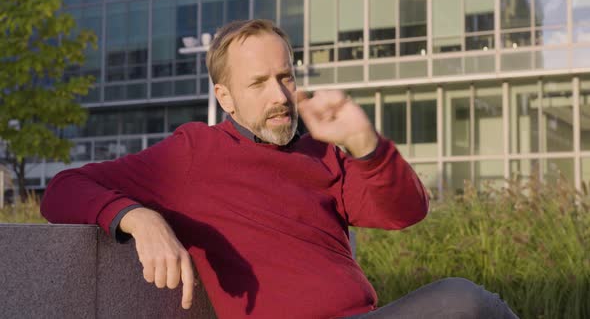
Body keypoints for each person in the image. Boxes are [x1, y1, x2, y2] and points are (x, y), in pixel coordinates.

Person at [41, 19, 518, 319]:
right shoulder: (194, 151)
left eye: (285, 76)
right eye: (258, 83)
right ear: (224, 97)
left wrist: (365, 145)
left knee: (468, 302)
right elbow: (63, 187)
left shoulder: (321, 153)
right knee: (464, 300)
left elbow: (406, 212)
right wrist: (138, 219)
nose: (279, 95)